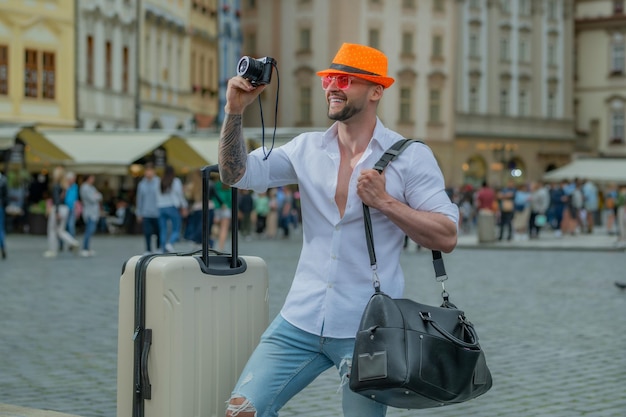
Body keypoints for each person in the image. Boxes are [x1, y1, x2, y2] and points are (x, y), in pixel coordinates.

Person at [219, 42, 459, 417]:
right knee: (241, 411)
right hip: (299, 319)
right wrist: (234, 110)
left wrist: (385, 203)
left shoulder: (410, 156)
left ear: (377, 90)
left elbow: (447, 235)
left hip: (370, 331)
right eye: (328, 78)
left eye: (345, 80)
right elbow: (236, 175)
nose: (332, 86)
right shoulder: (307, 149)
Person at [44, 166, 80, 258]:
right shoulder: (65, 185)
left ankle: (52, 250)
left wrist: (56, 211)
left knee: (52, 230)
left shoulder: (56, 185)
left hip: (58, 208)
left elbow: (56, 199)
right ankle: (72, 241)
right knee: (60, 230)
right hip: (65, 208)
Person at [157, 165, 188, 252]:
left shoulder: (160, 181)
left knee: (163, 230)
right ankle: (170, 243)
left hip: (161, 207)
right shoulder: (175, 181)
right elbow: (180, 195)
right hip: (172, 206)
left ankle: (163, 248)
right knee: (176, 228)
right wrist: (184, 206)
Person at [135, 162, 161, 254]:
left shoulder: (159, 182)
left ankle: (158, 248)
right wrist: (139, 213)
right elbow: (139, 199)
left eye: (150, 171)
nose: (148, 173)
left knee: (159, 232)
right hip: (146, 212)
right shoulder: (142, 184)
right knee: (147, 232)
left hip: (157, 212)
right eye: (147, 171)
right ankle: (148, 250)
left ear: (154, 171)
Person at [79, 174, 102, 257]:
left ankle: (87, 248)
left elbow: (100, 196)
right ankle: (84, 248)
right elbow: (92, 199)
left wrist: (96, 196)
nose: (93, 180)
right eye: (92, 178)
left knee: (91, 230)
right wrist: (96, 196)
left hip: (94, 212)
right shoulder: (85, 187)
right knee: (89, 230)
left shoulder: (91, 187)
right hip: (89, 212)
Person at [0, 170, 7, 259]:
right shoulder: (3, 180)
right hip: (0, 206)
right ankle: (2, 246)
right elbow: (6, 196)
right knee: (1, 228)